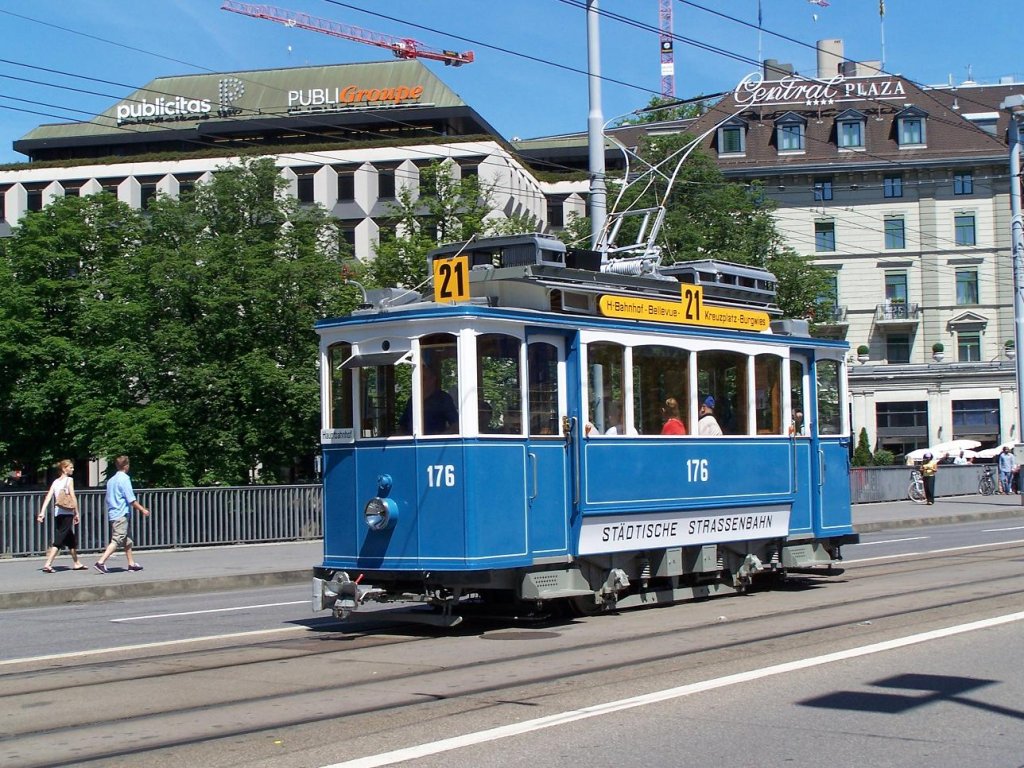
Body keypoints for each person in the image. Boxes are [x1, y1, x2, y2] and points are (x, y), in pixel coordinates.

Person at [94, 455, 151, 573]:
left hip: (113, 513)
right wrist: (142, 509)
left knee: (127, 540)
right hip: (121, 513)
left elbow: (108, 498)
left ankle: (131, 564)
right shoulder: (124, 479)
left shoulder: (111, 480)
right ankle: (101, 562)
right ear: (126, 465)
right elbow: (131, 499)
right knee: (117, 539)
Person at [36, 459, 86, 573]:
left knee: (70, 539)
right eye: (71, 467)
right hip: (67, 513)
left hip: (58, 513)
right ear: (64, 468)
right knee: (59, 539)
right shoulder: (69, 480)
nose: (72, 469)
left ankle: (77, 563)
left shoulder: (55, 482)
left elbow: (48, 497)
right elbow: (73, 496)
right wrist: (76, 512)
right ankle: (48, 564)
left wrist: (42, 512)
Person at [400, 364, 458, 435]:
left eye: (423, 378)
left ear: (433, 379)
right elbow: (403, 426)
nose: (419, 382)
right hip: (413, 443)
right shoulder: (412, 400)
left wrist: (439, 439)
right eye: (417, 379)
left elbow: (455, 425)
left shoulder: (443, 399)